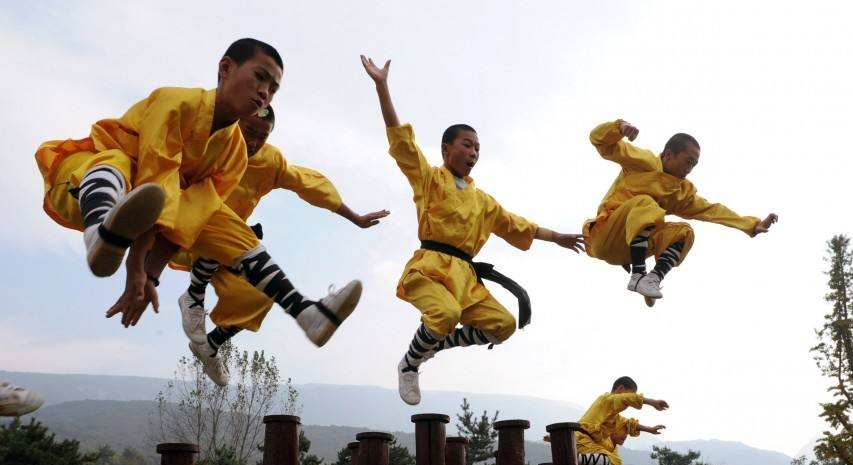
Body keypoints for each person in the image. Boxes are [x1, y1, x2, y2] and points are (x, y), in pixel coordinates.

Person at [36, 38, 361, 343]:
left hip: (146, 213)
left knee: (224, 220)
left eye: (273, 89)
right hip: (85, 184)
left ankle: (304, 311)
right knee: (118, 163)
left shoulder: (233, 154)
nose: (264, 93)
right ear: (226, 68)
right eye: (260, 78)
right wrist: (134, 267)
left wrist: (148, 277)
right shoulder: (175, 103)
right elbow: (154, 183)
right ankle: (99, 232)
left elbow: (185, 218)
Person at [360, 55, 584, 405]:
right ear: (447, 149)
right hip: (432, 268)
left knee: (504, 325)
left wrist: (558, 237)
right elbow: (402, 144)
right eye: (467, 144)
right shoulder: (431, 179)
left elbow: (516, 224)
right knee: (445, 314)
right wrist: (382, 86)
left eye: (478, 147)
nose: (473, 151)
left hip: (466, 277)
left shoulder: (483, 201)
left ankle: (436, 343)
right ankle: (410, 363)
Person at [174, 104, 389, 385]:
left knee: (260, 295)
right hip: (188, 231)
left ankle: (209, 345)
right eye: (249, 132)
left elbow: (310, 185)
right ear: (236, 123)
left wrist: (354, 217)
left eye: (261, 137)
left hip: (236, 250)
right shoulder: (213, 143)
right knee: (220, 220)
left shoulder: (270, 162)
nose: (252, 142)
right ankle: (195, 293)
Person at [583, 119, 777, 306]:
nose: (690, 169)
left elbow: (712, 210)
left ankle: (652, 279)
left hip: (626, 251)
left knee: (685, 232)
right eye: (688, 161)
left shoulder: (681, 193)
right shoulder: (644, 162)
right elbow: (598, 140)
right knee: (646, 203)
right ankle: (638, 274)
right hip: (606, 235)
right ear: (668, 155)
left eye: (694, 164)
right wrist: (619, 127)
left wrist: (751, 224)